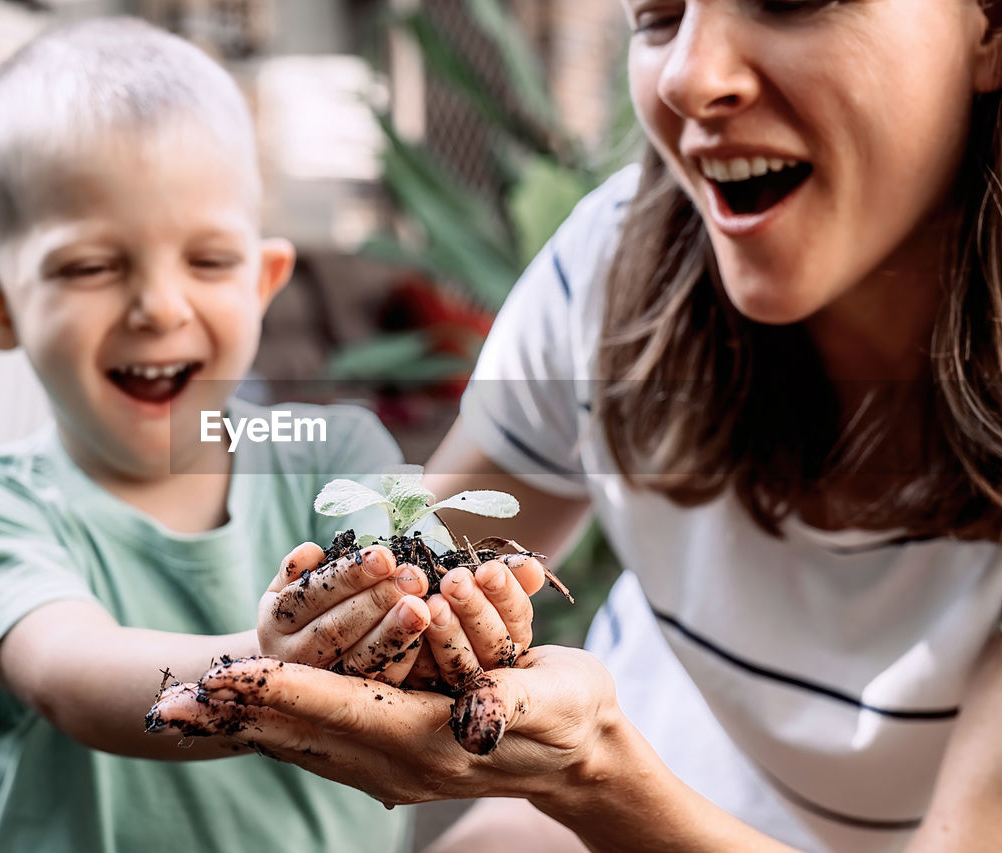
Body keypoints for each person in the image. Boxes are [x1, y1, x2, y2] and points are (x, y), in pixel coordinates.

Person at [148, 1, 1002, 851]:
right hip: (658, 764)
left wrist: (587, 771)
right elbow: (426, 540)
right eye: (658, 17)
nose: (689, 77)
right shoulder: (618, 262)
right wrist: (344, 624)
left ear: (989, 28)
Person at [0, 17, 542, 853]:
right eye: (92, 266)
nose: (161, 305)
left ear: (263, 279)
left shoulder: (337, 455)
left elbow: (430, 603)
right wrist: (279, 659)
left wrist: (468, 621)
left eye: (208, 261)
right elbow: (71, 673)